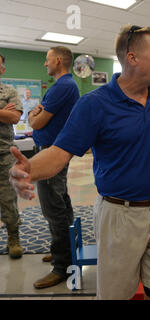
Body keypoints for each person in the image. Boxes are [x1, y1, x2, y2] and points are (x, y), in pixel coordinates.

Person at [9, 25, 150, 300]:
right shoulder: (95, 104)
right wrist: (28, 169)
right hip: (120, 215)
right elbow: (60, 153)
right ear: (132, 58)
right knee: (116, 293)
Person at [26, 46, 80, 289]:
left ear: (58, 61)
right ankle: (66, 249)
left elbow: (37, 121)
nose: (45, 64)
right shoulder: (65, 86)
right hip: (53, 150)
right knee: (61, 202)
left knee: (53, 207)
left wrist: (33, 117)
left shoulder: (63, 86)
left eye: (47, 60)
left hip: (51, 154)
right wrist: (33, 115)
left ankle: (62, 265)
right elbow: (35, 116)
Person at [0, 53, 23, 259]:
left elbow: (14, 117)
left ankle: (13, 236)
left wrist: (8, 114)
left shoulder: (10, 91)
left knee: (8, 198)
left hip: (4, 154)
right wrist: (1, 112)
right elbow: (6, 115)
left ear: (2, 69)